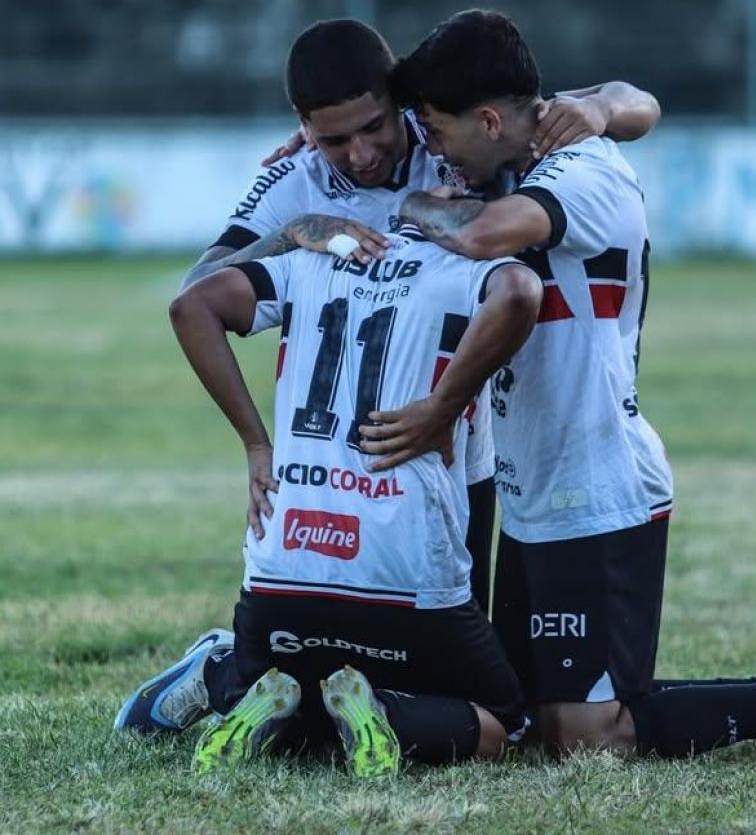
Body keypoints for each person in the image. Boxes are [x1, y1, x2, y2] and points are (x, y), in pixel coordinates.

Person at [347, 9, 756, 759]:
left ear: (490, 119)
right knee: (519, 723)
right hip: (536, 486)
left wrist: (404, 201)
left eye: (434, 130)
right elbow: (627, 98)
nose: (429, 149)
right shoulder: (515, 151)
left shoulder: (582, 171)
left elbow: (479, 234)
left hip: (598, 488)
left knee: (589, 740)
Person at [179, 18, 661, 614]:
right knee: (332, 635)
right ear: (304, 129)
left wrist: (606, 106)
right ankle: (226, 665)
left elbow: (629, 105)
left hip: (464, 446)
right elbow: (197, 290)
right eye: (333, 141)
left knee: (463, 653)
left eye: (374, 127)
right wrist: (295, 233)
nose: (360, 155)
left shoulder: (451, 136)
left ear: (398, 103)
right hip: (336, 462)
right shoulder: (293, 184)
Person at [115, 223, 544, 776]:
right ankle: (383, 712)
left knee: (288, 684)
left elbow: (190, 305)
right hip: (407, 574)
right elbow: (519, 292)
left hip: (283, 569)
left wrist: (254, 442)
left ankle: (220, 675)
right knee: (507, 726)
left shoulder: (305, 261)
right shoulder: (461, 268)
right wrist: (444, 406)